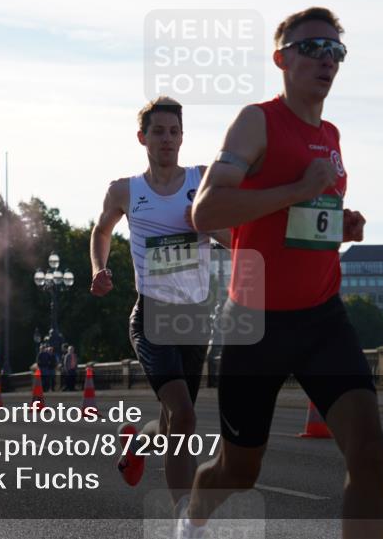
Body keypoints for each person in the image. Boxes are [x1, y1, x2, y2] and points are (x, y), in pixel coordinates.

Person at [178, 7, 383, 539]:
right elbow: (206, 211)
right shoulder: (258, 121)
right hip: (253, 323)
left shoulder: (331, 135)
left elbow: (300, 225)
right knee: (238, 473)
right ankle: (192, 521)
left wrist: (340, 225)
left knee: (370, 451)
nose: (326, 59)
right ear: (281, 59)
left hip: (322, 320)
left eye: (336, 50)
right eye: (312, 48)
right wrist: (297, 190)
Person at [90, 96, 229, 515]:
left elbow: (234, 237)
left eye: (174, 132)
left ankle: (136, 445)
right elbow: (101, 231)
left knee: (172, 422)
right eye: (158, 132)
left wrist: (205, 223)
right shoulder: (125, 190)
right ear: (142, 137)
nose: (167, 139)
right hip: (151, 315)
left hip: (194, 319)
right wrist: (99, 268)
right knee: (184, 416)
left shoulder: (203, 179)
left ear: (182, 137)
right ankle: (187, 519)